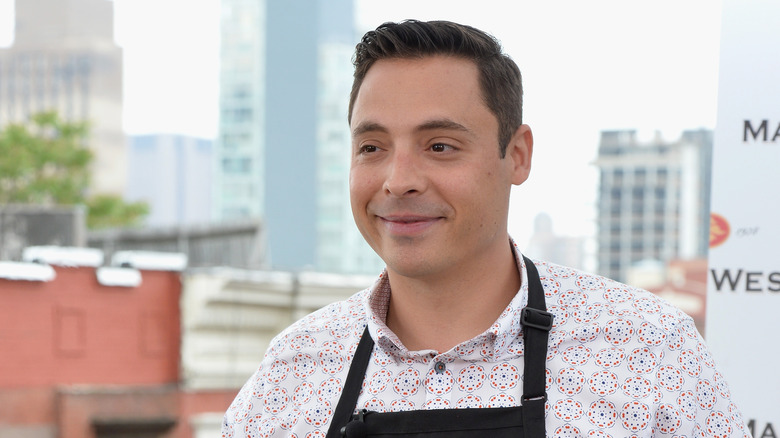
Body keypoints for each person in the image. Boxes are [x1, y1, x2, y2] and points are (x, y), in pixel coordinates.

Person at [222, 20, 750, 438]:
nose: (398, 180)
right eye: (372, 147)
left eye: (440, 146)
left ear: (516, 156)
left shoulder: (647, 352)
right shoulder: (291, 373)